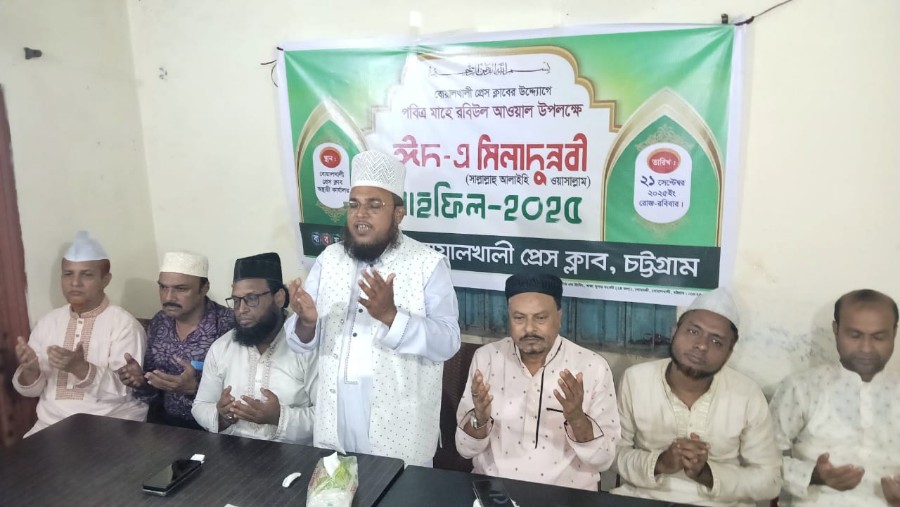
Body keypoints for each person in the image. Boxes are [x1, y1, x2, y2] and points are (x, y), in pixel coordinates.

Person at [285, 150, 461, 466]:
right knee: (337, 490)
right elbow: (299, 342)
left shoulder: (427, 264)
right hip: (335, 417)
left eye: (374, 205)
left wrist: (391, 317)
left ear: (398, 214)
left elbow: (448, 341)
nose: (360, 214)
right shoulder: (329, 260)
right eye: (354, 205)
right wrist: (307, 322)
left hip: (399, 425)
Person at [612, 288, 782, 506]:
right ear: (674, 332)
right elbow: (612, 453)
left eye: (716, 341)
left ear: (729, 352)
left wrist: (707, 474)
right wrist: (659, 463)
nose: (701, 345)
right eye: (693, 332)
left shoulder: (748, 394)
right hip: (644, 498)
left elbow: (770, 481)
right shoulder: (636, 379)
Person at [455, 273, 619, 491]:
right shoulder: (487, 358)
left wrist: (577, 419)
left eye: (540, 318)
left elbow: (604, 460)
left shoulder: (592, 366)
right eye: (519, 318)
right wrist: (480, 419)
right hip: (495, 493)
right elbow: (465, 449)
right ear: (509, 316)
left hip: (567, 496)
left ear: (559, 316)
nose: (529, 329)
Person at [770, 289, 900, 507]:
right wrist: (814, 475)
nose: (866, 348)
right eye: (855, 335)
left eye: (878, 337)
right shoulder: (802, 387)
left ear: (894, 333)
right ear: (836, 329)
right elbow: (760, 460)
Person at [13, 231, 148, 436]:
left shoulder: (124, 325)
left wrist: (80, 367)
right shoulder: (48, 322)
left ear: (105, 279)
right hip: (50, 426)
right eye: (68, 274)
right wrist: (31, 370)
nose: (75, 283)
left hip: (109, 427)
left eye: (87, 274)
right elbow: (32, 391)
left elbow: (124, 391)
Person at [191, 253, 317, 443]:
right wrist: (222, 415)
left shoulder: (307, 346)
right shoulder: (222, 347)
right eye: (236, 300)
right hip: (232, 452)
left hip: (293, 454)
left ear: (279, 298)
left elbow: (328, 417)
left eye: (251, 298)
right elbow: (200, 406)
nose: (241, 309)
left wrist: (279, 417)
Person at [117, 251, 234, 430]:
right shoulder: (160, 322)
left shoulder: (228, 324)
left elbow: (245, 389)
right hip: (166, 424)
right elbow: (153, 393)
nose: (168, 297)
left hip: (215, 427)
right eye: (163, 287)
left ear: (204, 288)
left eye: (181, 289)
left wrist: (195, 388)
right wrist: (140, 381)